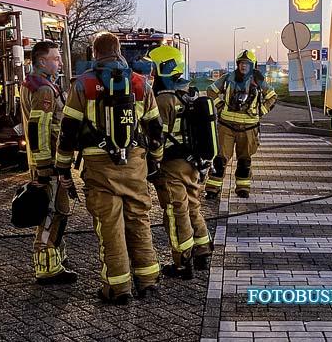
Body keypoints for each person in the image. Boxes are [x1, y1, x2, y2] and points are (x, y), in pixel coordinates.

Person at [56, 32, 164, 305]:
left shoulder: (83, 84)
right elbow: (155, 128)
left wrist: (62, 166)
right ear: (119, 52)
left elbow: (67, 131)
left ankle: (118, 288)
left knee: (110, 225)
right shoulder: (141, 84)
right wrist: (155, 159)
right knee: (139, 218)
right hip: (135, 162)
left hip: (99, 164)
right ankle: (148, 280)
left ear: (95, 54)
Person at [147, 45, 214, 278]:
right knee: (193, 205)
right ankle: (202, 250)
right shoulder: (188, 94)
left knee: (176, 212)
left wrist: (150, 164)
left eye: (154, 71)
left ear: (165, 69)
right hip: (192, 163)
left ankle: (182, 262)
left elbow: (158, 138)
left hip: (171, 166)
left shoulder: (164, 100)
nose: (152, 76)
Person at [20, 40, 78, 284]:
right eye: (56, 58)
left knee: (59, 210)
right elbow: (40, 128)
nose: (61, 62)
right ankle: (46, 265)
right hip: (49, 163)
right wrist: (45, 166)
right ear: (42, 61)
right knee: (52, 212)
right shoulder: (43, 89)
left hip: (49, 161)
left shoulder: (36, 84)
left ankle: (56, 259)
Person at [204, 50, 277, 199]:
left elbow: (272, 97)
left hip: (249, 128)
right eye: (241, 63)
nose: (244, 66)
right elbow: (211, 91)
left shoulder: (258, 80)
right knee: (220, 159)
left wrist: (260, 111)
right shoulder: (227, 78)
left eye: (247, 64)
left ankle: (243, 188)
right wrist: (219, 106)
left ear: (252, 65)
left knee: (244, 160)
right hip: (227, 126)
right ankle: (212, 189)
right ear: (238, 64)